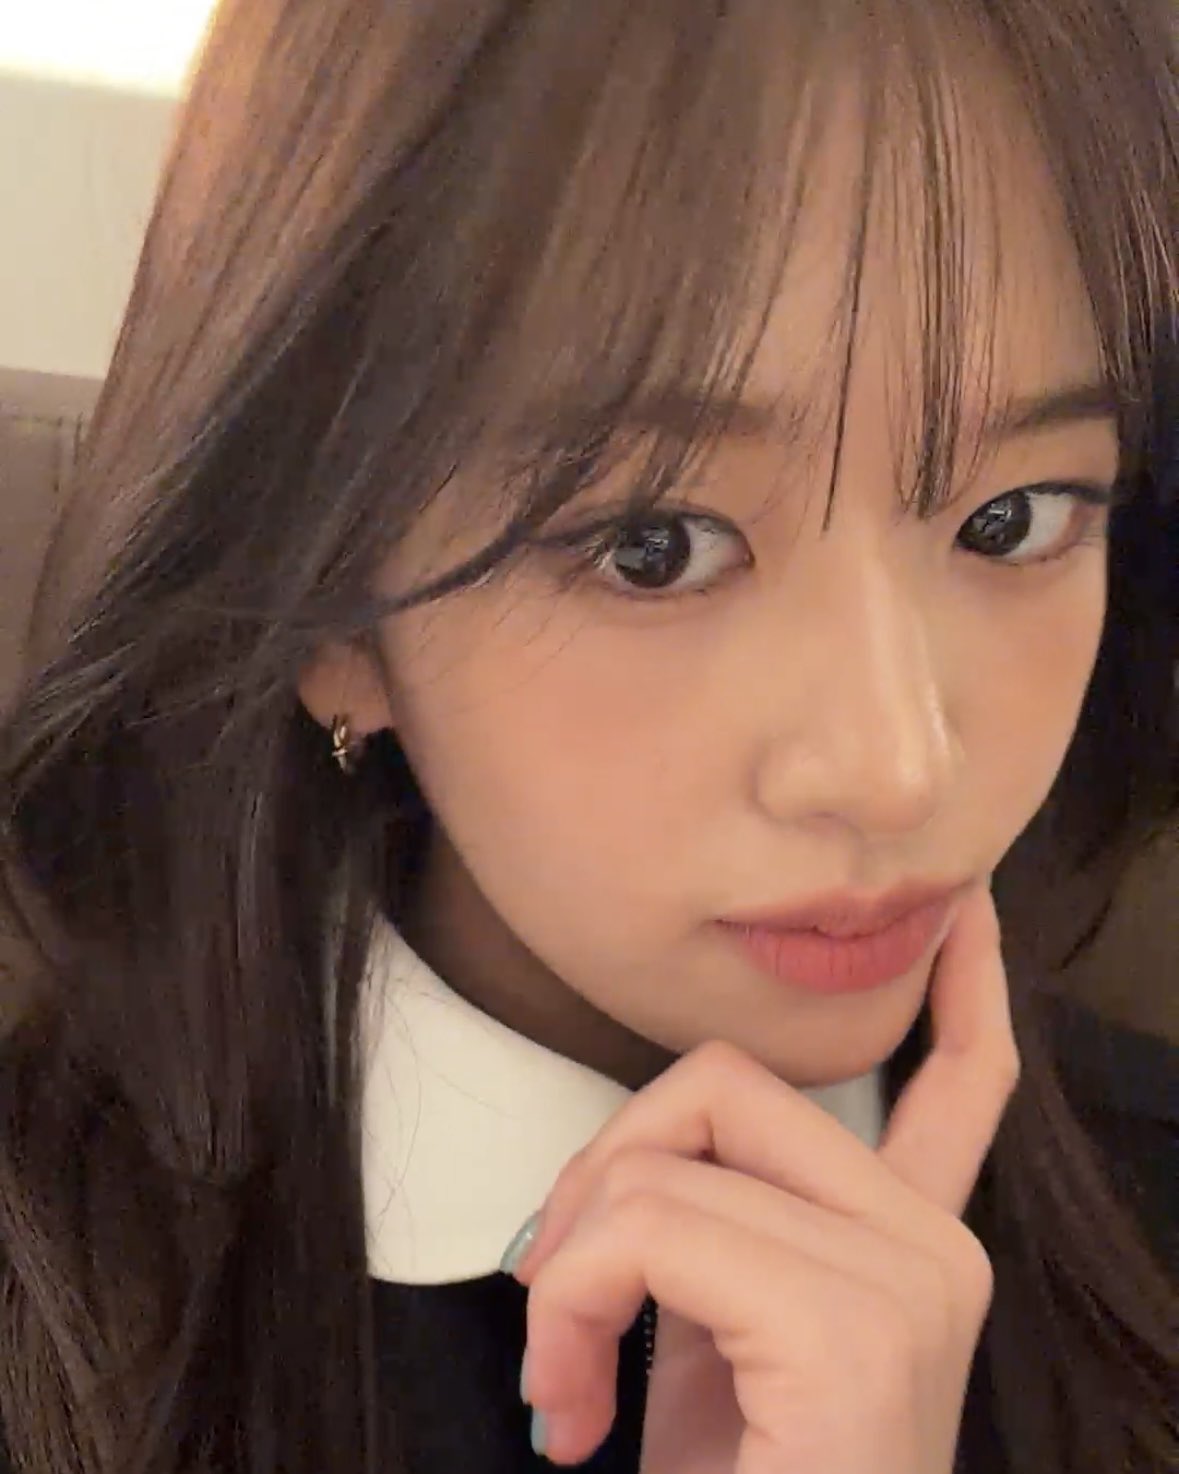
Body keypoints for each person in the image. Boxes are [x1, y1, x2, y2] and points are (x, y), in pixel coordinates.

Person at [0, 1, 1175, 1470]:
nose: (899, 770)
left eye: (1012, 519)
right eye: (654, 547)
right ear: (330, 613)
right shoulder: (56, 1312)